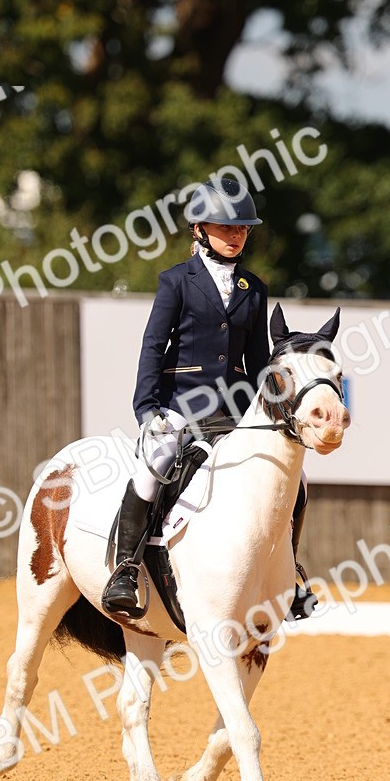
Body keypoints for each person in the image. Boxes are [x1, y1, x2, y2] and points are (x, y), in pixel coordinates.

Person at [101, 177, 316, 621]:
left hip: (235, 410)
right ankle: (126, 569)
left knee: (295, 482)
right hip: (181, 404)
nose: (236, 235)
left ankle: (290, 571)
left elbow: (256, 361)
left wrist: (270, 412)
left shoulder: (254, 288)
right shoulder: (176, 281)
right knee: (155, 466)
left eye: (242, 229)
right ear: (199, 229)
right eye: (226, 227)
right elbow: (153, 345)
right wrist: (147, 408)